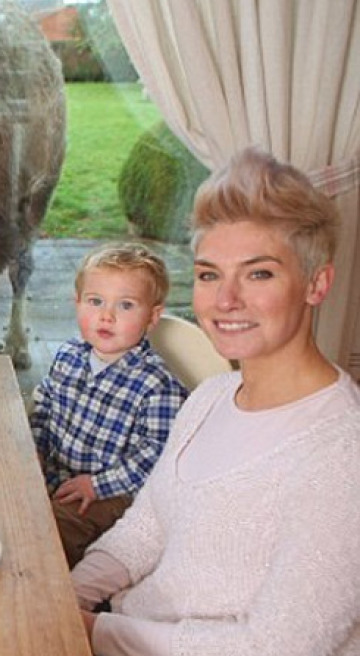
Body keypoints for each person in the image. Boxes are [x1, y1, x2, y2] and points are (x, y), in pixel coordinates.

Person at [72, 147, 360, 654]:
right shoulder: (211, 396)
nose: (225, 300)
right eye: (209, 275)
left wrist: (97, 632)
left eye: (259, 273)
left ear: (317, 283)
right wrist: (66, 596)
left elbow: (276, 647)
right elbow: (146, 529)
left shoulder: (341, 455)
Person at [31, 243, 188, 566]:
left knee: (50, 536)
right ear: (77, 304)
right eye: (95, 301)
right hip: (57, 471)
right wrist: (35, 446)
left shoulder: (158, 386)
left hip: (111, 493)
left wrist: (97, 485)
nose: (107, 316)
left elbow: (155, 457)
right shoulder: (69, 355)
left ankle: (49, 584)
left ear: (152, 316)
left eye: (126, 305)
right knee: (7, 509)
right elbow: (45, 405)